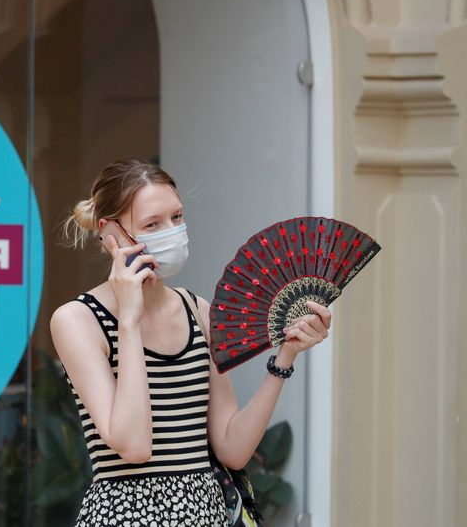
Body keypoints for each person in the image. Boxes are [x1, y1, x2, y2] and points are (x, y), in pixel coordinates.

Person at [50, 159, 332, 526]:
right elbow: (133, 445)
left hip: (204, 514)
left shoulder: (197, 310)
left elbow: (232, 449)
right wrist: (130, 319)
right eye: (152, 224)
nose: (171, 231)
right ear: (110, 234)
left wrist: (287, 355)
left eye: (177, 217)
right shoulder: (78, 320)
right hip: (124, 516)